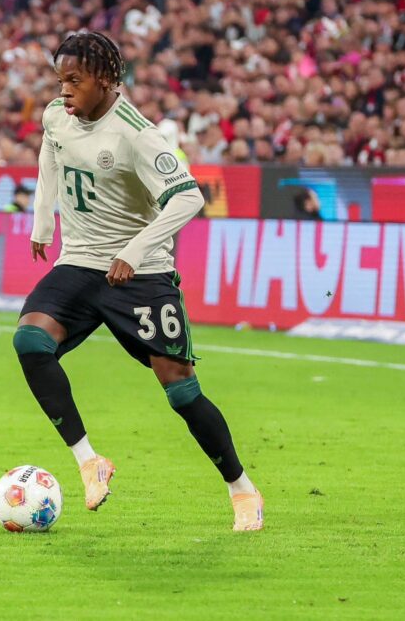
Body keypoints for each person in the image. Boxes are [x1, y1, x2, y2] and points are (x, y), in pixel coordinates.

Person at [15, 32, 262, 532]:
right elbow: (50, 155)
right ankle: (89, 461)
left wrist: (134, 250)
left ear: (106, 79)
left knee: (181, 391)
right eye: (60, 80)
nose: (64, 90)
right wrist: (43, 221)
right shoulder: (57, 116)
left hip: (141, 273)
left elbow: (189, 197)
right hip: (81, 262)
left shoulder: (136, 134)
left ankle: (242, 489)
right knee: (30, 341)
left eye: (74, 80)